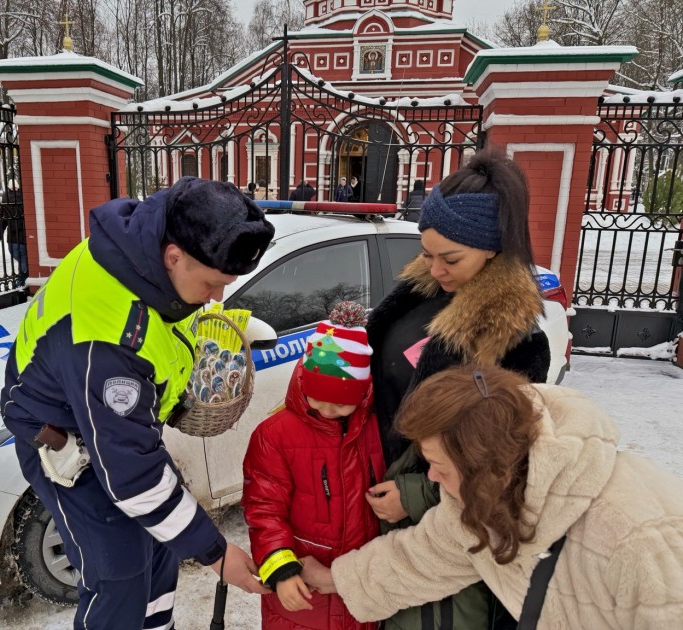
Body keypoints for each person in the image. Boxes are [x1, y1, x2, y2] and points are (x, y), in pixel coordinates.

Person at [0, 177, 274, 630]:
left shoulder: (142, 254)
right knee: (119, 570)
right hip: (67, 442)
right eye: (211, 283)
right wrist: (217, 554)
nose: (216, 297)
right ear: (174, 257)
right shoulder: (107, 341)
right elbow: (134, 477)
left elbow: (165, 331)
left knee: (160, 545)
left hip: (106, 427)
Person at [301, 365, 683, 628]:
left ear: (486, 466)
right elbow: (421, 556)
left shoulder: (644, 536)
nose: (431, 478)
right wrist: (333, 577)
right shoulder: (484, 498)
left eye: (441, 468)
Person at [364, 149, 550, 629]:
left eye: (451, 258)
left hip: (444, 534)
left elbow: (508, 470)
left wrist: (416, 493)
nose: (436, 269)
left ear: (491, 249)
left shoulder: (516, 341)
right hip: (373, 502)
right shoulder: (418, 296)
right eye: (426, 254)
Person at [242, 301, 384, 629]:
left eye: (340, 404)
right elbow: (263, 509)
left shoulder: (378, 428)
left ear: (362, 395)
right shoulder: (274, 436)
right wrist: (281, 569)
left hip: (362, 591)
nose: (327, 411)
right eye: (316, 399)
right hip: (302, 596)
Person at [0, 179, 28, 286]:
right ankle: (24, 280)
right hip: (26, 239)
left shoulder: (5, 203)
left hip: (13, 241)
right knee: (26, 262)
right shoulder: (27, 199)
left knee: (21, 260)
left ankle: (22, 279)